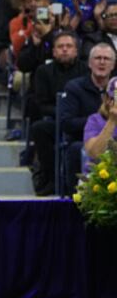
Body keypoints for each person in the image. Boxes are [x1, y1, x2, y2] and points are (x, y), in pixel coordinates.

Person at [25, 32, 88, 195]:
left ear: (76, 50)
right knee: (39, 128)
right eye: (60, 47)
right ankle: (52, 178)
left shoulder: (86, 70)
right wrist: (64, 112)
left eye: (69, 46)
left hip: (81, 120)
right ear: (53, 52)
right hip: (57, 119)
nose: (65, 50)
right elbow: (42, 104)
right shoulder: (43, 71)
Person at [58, 43, 115, 193]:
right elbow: (67, 123)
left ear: (113, 65)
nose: (102, 62)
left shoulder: (115, 86)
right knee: (76, 149)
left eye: (106, 59)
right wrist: (101, 121)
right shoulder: (74, 87)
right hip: (82, 140)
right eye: (98, 58)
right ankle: (75, 198)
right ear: (89, 63)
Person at [83, 76, 117, 171]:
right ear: (106, 99)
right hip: (98, 178)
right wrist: (112, 121)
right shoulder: (94, 120)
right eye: (114, 98)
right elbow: (95, 154)